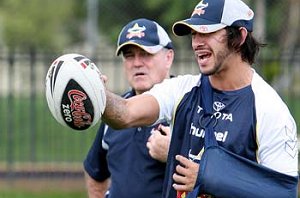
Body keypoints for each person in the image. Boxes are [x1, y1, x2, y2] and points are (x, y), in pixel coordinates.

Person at [101, 0, 298, 197]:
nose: (196, 43)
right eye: (194, 34)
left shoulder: (269, 110)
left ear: (239, 37)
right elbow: (126, 113)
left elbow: (283, 192)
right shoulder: (183, 89)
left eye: (207, 32)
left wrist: (209, 177)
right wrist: (97, 95)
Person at [83, 18, 175, 198]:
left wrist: (175, 153)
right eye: (129, 55)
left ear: (168, 57)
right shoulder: (116, 112)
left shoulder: (189, 105)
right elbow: (95, 171)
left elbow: (215, 175)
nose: (137, 63)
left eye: (146, 54)